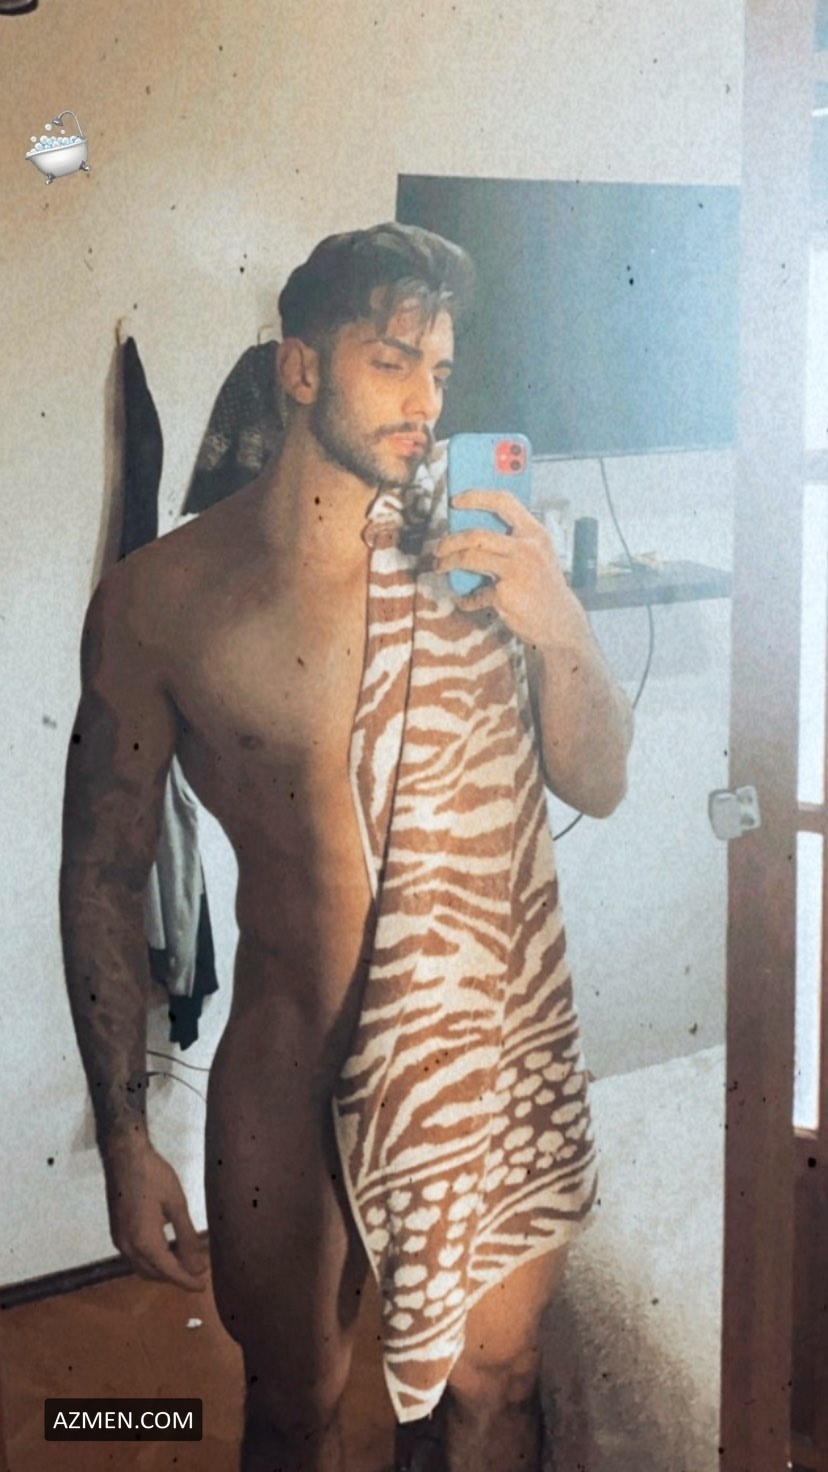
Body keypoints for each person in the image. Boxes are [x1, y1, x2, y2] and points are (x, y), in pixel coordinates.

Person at [60, 223, 633, 1472]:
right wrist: (125, 1138)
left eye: (442, 368)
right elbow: (102, 872)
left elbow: (598, 780)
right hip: (290, 1069)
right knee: (293, 1407)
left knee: (499, 1382)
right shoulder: (164, 601)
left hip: (477, 1060)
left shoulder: (481, 565)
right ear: (301, 367)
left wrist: (560, 624)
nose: (427, 399)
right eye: (391, 361)